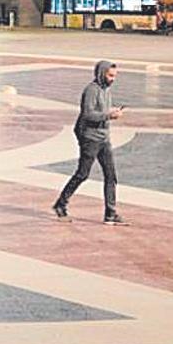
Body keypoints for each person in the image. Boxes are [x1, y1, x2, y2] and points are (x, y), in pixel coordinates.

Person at [52, 60, 126, 225]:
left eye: (115, 76)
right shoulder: (91, 90)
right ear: (101, 73)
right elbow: (88, 114)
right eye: (110, 75)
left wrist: (111, 114)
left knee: (111, 176)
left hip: (104, 139)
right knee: (83, 174)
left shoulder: (107, 90)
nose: (113, 79)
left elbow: (101, 112)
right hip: (90, 139)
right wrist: (109, 115)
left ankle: (110, 213)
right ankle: (60, 204)